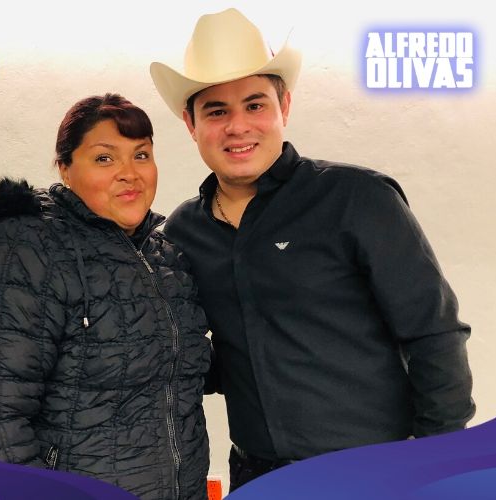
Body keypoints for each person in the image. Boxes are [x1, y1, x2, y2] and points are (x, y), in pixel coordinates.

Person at [150, 8, 476, 492]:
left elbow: (434, 334)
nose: (238, 126)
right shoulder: (183, 232)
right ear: (190, 123)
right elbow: (204, 356)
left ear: (284, 107)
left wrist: (435, 461)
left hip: (371, 471)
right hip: (255, 474)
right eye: (216, 111)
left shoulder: (358, 199)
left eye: (255, 105)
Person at [0, 93, 211, 500]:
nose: (129, 174)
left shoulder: (165, 255)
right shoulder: (23, 249)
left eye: (141, 155)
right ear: (65, 168)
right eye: (104, 158)